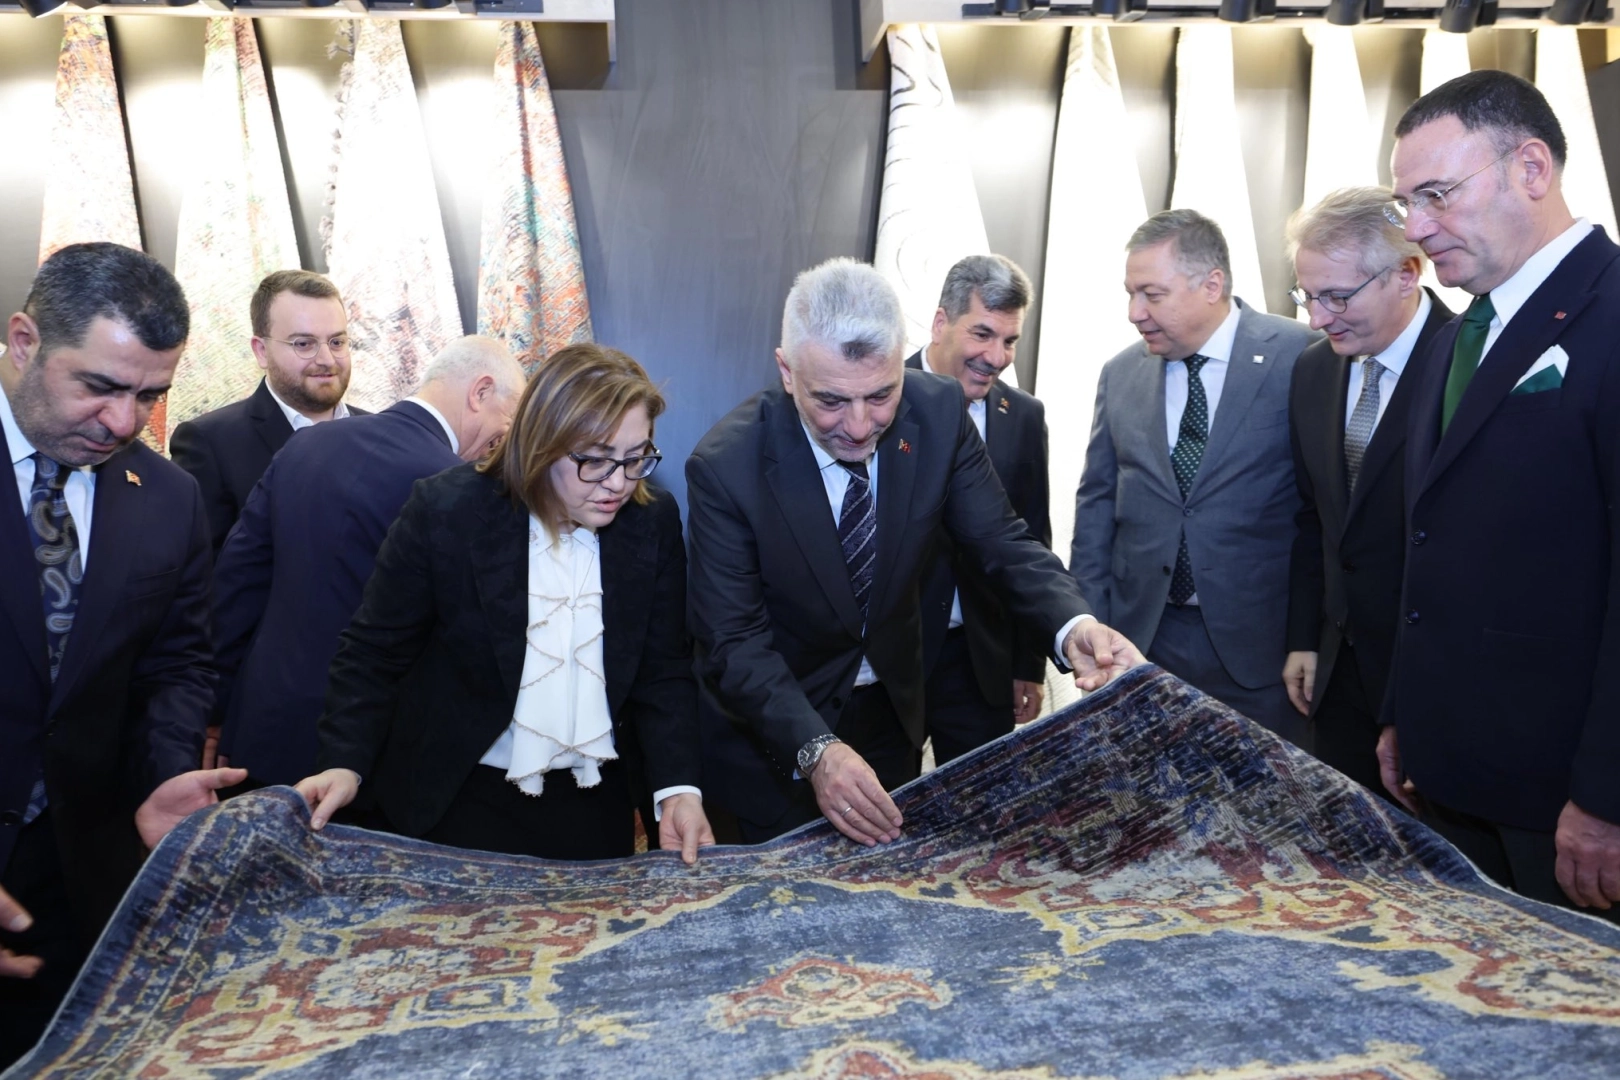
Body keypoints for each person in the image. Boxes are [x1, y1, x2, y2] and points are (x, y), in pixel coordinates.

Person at [686, 257, 1143, 846]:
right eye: (831, 401)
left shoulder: (939, 411)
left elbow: (1001, 540)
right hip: (778, 737)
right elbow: (733, 640)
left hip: (892, 720)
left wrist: (1072, 626)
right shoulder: (727, 465)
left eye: (881, 395)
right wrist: (816, 750)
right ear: (787, 372)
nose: (858, 426)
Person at [295, 344, 713, 865]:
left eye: (635, 459)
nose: (618, 483)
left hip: (593, 804)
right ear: (541, 442)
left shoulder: (651, 521)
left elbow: (663, 670)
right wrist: (344, 762)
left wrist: (678, 789)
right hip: (460, 797)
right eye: (594, 459)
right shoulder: (448, 509)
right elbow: (373, 653)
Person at [1380, 70, 1619, 919]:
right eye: (1405, 203)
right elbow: (1428, 540)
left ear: (1532, 169)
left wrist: (1607, 796)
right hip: (1449, 774)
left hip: (1564, 798)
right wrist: (1403, 715)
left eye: (1437, 195)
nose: (1415, 228)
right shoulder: (1459, 336)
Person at [0, 243, 245, 1066]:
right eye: (99, 387)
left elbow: (177, 664)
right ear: (25, 341)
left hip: (80, 876)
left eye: (149, 395)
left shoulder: (168, 497)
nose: (123, 423)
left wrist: (163, 774)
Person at [209, 336, 528, 787]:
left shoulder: (304, 446)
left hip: (263, 727)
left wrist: (215, 711)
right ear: (480, 392)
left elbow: (236, 585)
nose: (505, 439)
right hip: (372, 751)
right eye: (509, 419)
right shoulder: (455, 488)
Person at [1071, 210, 1319, 744]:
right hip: (1142, 646)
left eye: (1152, 294)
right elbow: (1096, 507)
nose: (1134, 313)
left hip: (1264, 652)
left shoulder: (1301, 355)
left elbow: (1322, 508)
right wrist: (1090, 624)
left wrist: (1313, 636)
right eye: (1130, 294)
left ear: (1211, 285)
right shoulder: (1120, 373)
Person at [1282, 187, 1453, 797]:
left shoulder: (1469, 365)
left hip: (1434, 683)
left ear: (1406, 273)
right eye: (1306, 295)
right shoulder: (1313, 369)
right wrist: (1305, 639)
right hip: (1337, 679)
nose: (1317, 318)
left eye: (1336, 296)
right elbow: (1315, 519)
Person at [906, 254, 1052, 764]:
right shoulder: (879, 396)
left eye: (1010, 340)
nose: (997, 356)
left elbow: (1031, 541)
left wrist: (1028, 664)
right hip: (890, 662)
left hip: (980, 662)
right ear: (940, 322)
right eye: (983, 334)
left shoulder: (1023, 415)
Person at [169, 269, 365, 555]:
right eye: (304, 344)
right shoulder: (210, 443)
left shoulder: (382, 432)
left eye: (337, 342)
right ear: (261, 351)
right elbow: (204, 569)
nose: (326, 359)